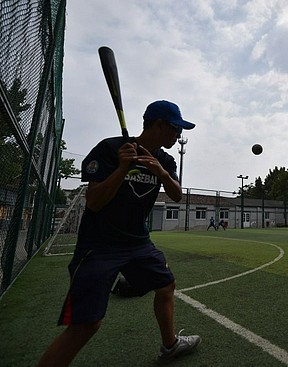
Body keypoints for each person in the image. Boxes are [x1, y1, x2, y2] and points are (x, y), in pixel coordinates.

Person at [38, 100, 201, 367]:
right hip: (99, 245)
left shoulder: (164, 160)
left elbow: (176, 195)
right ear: (159, 125)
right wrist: (122, 168)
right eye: (175, 129)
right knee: (87, 324)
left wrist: (160, 172)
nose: (178, 135)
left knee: (166, 285)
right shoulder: (110, 150)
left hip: (138, 242)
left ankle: (170, 345)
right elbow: (94, 202)